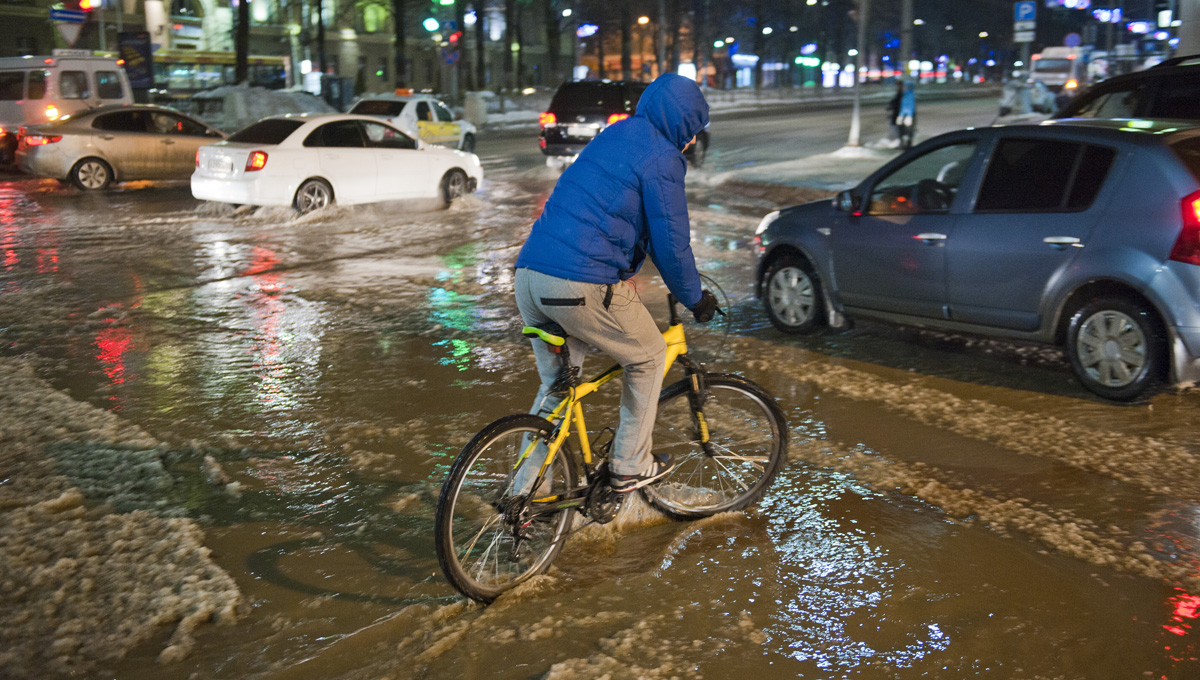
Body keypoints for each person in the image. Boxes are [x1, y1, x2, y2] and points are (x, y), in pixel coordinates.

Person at [513, 73, 718, 494]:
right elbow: (672, 240)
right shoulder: (662, 157)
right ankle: (629, 466)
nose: (691, 142)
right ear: (683, 126)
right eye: (692, 133)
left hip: (530, 276)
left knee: (556, 390)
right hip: (579, 283)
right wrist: (694, 297)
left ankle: (524, 495)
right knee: (648, 356)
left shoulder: (618, 132)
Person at [897, 80, 917, 150]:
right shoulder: (905, 94)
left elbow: (910, 106)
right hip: (905, 116)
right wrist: (901, 115)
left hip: (909, 116)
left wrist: (909, 116)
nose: (904, 87)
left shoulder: (910, 95)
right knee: (904, 130)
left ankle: (908, 145)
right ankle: (905, 144)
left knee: (909, 131)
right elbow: (903, 106)